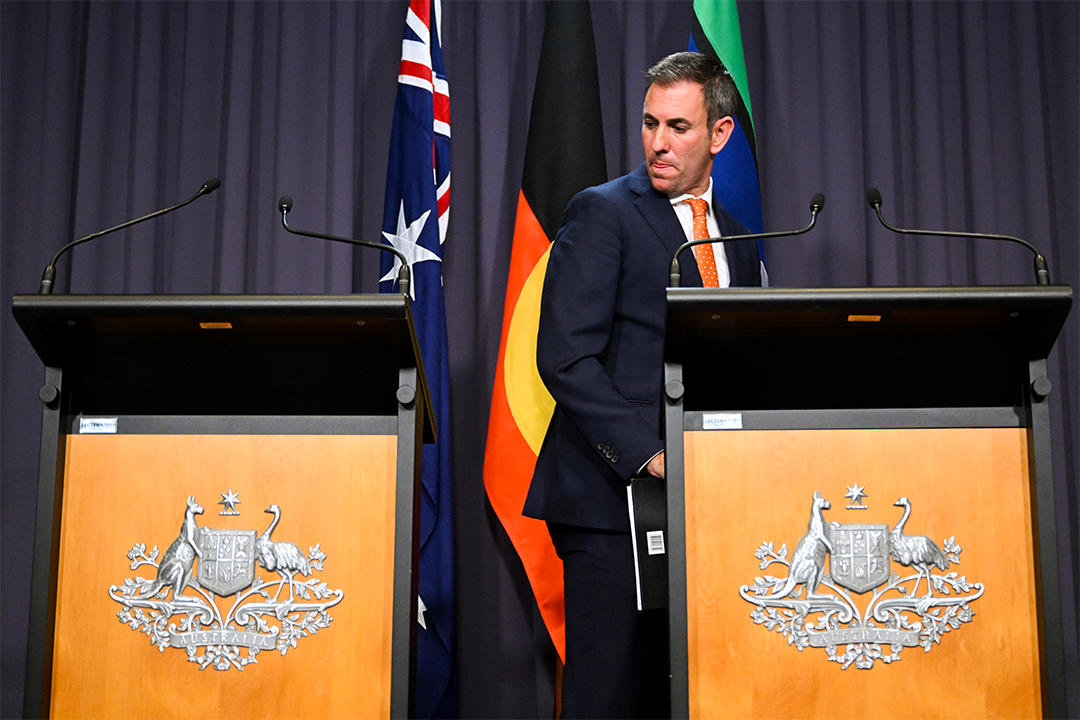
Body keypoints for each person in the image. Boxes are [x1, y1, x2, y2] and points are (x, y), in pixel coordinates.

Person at [523, 52, 764, 718]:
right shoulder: (602, 212)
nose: (658, 142)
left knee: (687, 698)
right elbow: (565, 356)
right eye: (650, 123)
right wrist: (652, 454)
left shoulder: (739, 239)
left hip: (709, 506)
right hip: (612, 506)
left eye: (678, 127)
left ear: (719, 134)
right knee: (608, 701)